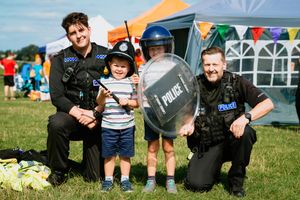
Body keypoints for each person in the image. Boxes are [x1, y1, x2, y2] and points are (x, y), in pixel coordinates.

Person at [179, 46, 274, 197]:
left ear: (224, 64)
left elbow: (268, 104)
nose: (211, 69)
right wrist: (188, 123)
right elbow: (184, 113)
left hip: (232, 140)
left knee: (247, 133)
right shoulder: (194, 85)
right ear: (202, 65)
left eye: (215, 64)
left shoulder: (237, 82)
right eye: (207, 65)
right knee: (196, 185)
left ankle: (236, 182)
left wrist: (245, 118)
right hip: (207, 144)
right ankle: (212, 167)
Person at [46, 12, 108, 186]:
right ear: (68, 36)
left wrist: (95, 113)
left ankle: (90, 165)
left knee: (94, 177)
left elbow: (115, 88)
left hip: (98, 119)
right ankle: (58, 171)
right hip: (72, 117)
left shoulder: (106, 55)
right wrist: (81, 114)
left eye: (81, 30)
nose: (79, 36)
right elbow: (57, 96)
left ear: (89, 29)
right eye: (73, 33)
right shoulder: (60, 59)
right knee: (56, 123)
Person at [96, 40, 139, 192]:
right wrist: (102, 95)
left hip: (127, 126)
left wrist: (127, 101)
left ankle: (125, 180)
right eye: (116, 65)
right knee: (109, 155)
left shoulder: (131, 83)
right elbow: (99, 103)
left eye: (123, 66)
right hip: (108, 126)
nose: (119, 69)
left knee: (125, 155)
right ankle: (108, 180)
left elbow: (137, 103)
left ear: (129, 68)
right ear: (109, 65)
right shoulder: (105, 82)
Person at [139, 25, 178, 193]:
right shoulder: (143, 68)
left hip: (169, 112)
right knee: (152, 147)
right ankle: (151, 180)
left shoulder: (172, 65)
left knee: (168, 147)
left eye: (159, 48)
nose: (155, 52)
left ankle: (170, 180)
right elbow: (140, 93)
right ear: (147, 50)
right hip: (150, 112)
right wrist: (137, 85)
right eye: (152, 49)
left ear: (166, 47)